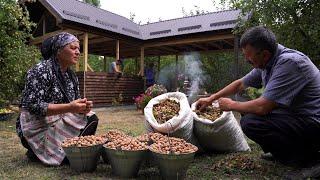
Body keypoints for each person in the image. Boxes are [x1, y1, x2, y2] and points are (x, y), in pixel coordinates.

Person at [196, 26, 320, 165]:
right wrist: (211, 98)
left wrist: (231, 105)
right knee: (246, 111)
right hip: (296, 116)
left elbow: (263, 107)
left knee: (251, 122)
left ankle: (311, 160)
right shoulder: (267, 62)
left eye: (249, 59)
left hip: (312, 122)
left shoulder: (289, 63)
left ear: (265, 54)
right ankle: (284, 152)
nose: (248, 61)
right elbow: (240, 84)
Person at [16, 32, 99, 166]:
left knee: (91, 117)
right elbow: (33, 106)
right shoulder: (41, 70)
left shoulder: (71, 76)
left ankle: (65, 149)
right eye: (73, 48)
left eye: (79, 48)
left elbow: (74, 104)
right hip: (37, 124)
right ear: (58, 51)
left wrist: (82, 107)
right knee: (68, 159)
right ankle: (36, 150)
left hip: (58, 118)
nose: (78, 52)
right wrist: (70, 107)